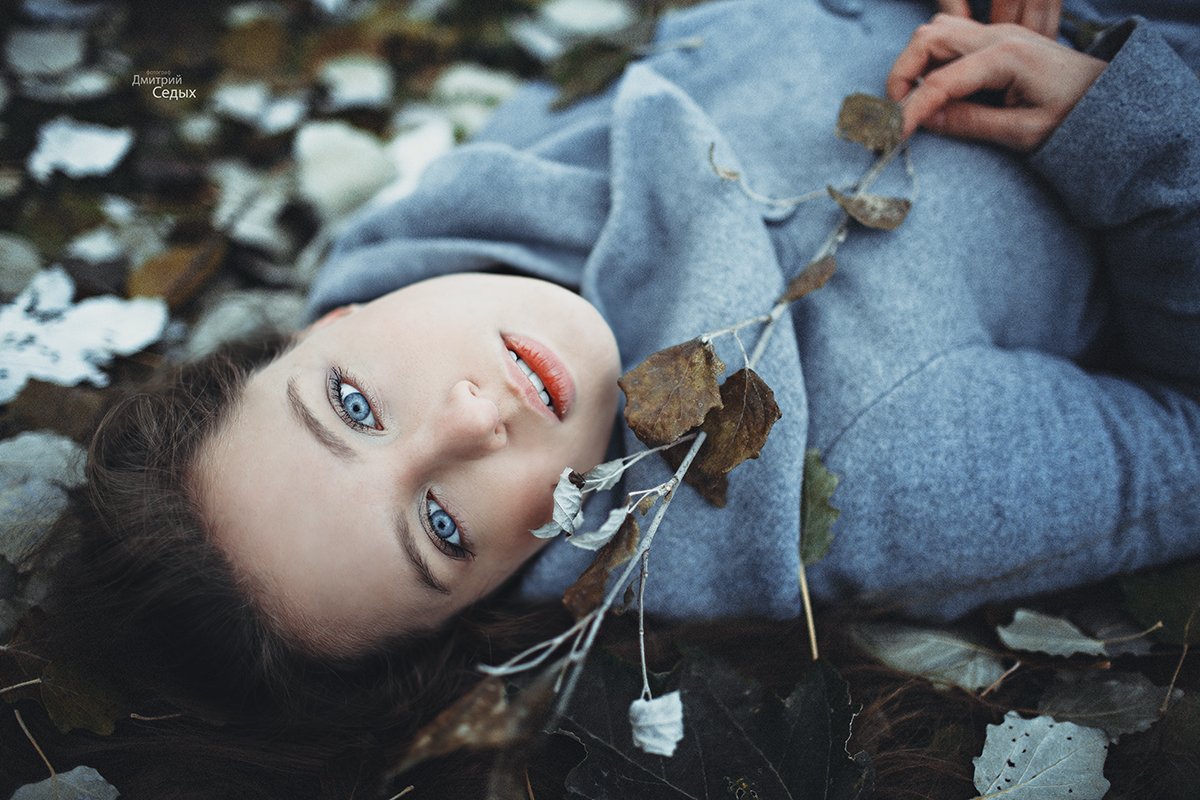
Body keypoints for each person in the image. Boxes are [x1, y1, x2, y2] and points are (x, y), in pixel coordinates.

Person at [18, 0, 1199, 796]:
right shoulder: (890, 467)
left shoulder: (455, 224)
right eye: (441, 524)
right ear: (497, 590)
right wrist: (1127, 129)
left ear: (327, 324)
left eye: (354, 407)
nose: (472, 420)